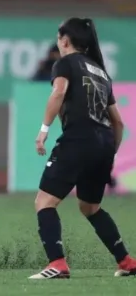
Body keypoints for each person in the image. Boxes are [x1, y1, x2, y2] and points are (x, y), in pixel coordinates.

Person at [30, 17, 136, 279]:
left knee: (44, 202)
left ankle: (57, 263)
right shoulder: (101, 72)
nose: (58, 41)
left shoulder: (64, 63)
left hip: (79, 139)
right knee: (90, 207)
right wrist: (108, 152)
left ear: (65, 40)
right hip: (104, 143)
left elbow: (58, 93)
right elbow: (118, 122)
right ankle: (126, 261)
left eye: (58, 37)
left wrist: (43, 131)